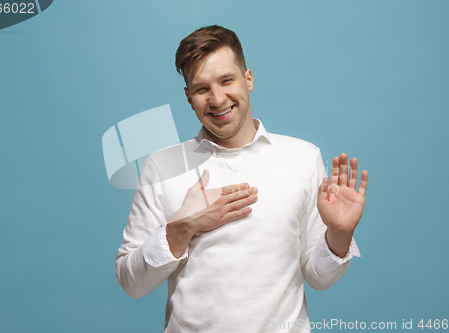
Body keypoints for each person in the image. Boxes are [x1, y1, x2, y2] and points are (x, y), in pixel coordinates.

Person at [116, 25, 369, 333]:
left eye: (227, 80)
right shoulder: (162, 166)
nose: (217, 99)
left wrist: (339, 235)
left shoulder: (302, 158)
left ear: (248, 79)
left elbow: (318, 277)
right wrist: (183, 227)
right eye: (201, 89)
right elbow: (132, 284)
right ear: (188, 97)